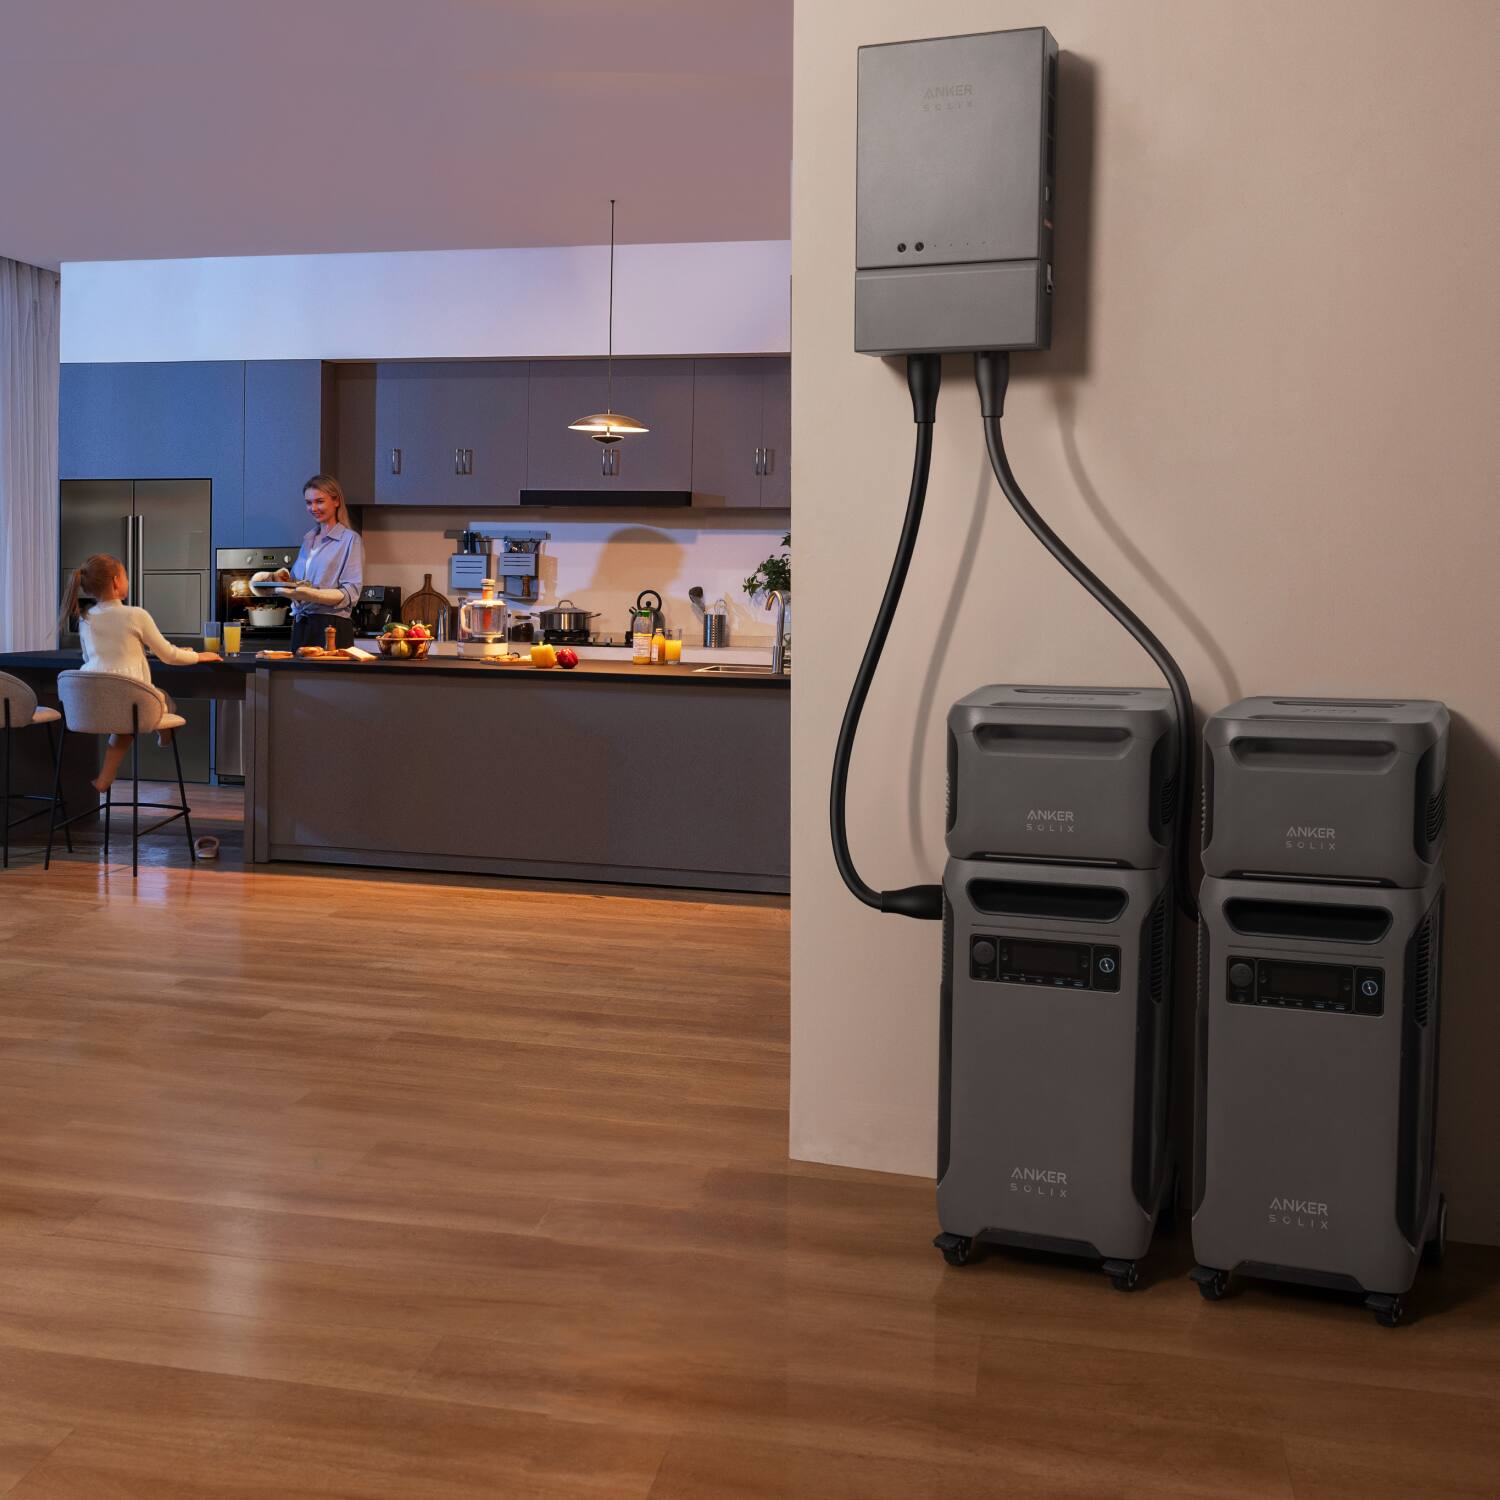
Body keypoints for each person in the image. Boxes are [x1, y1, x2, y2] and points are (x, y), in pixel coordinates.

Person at [59, 553, 221, 793]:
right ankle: (165, 733)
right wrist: (199, 655)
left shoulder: (86, 619)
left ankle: (105, 777)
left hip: (93, 700)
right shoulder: (136, 615)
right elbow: (169, 655)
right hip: (132, 700)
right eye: (124, 574)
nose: (127, 579)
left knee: (126, 721)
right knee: (162, 700)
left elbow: (87, 658)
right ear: (116, 581)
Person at [252, 474, 364, 650]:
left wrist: (313, 595)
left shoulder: (350, 540)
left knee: (327, 678)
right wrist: (270, 580)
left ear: (336, 501)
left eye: (319, 501)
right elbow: (297, 584)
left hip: (331, 626)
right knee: (299, 677)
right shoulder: (309, 539)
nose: (313, 508)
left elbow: (352, 592)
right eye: (308, 502)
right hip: (302, 624)